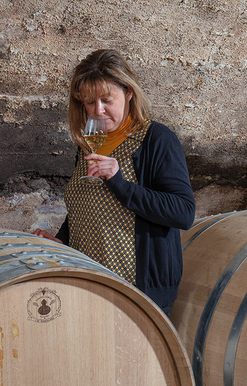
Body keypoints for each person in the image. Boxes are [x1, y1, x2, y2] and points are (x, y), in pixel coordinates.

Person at [34, 49, 196, 315]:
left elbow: (183, 212)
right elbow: (85, 205)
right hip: (88, 282)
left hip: (135, 291)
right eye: (89, 102)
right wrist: (61, 239)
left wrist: (120, 182)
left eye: (107, 99)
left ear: (128, 93)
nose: (98, 110)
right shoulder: (88, 143)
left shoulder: (156, 140)